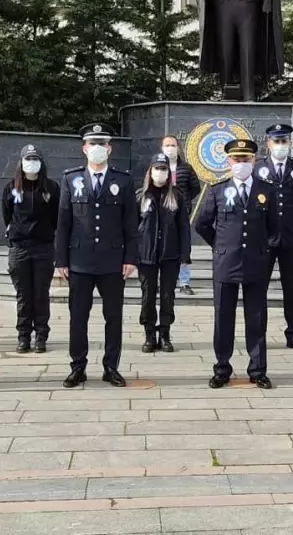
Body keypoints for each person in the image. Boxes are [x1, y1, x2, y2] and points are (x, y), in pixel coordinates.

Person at [56, 124, 138, 388]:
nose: (98, 148)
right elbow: (64, 222)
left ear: (110, 148)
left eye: (102, 143)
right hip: (79, 261)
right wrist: (61, 260)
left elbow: (130, 222)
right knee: (78, 317)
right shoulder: (71, 179)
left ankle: (111, 367)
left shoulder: (122, 180)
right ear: (84, 148)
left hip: (113, 261)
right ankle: (77, 366)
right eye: (93, 143)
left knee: (113, 317)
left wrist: (130, 258)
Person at [195, 138, 280, 389]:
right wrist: (220, 245)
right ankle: (222, 368)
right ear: (228, 161)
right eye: (237, 159)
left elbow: (274, 227)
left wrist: (263, 249)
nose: (241, 163)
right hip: (225, 262)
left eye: (246, 159)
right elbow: (202, 224)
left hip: (256, 262)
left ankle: (258, 369)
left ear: (253, 160)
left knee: (256, 318)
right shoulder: (217, 190)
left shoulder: (267, 191)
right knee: (223, 317)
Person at [256, 123, 293, 352]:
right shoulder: (258, 167)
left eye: (284, 141)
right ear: (268, 143)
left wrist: (288, 220)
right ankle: (258, 332)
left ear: (290, 143)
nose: (281, 145)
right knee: (259, 288)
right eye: (276, 141)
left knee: (291, 288)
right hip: (264, 238)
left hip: (290, 237)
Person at [2, 144, 60, 354]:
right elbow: (7, 216)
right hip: (20, 248)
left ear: (41, 162)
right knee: (23, 295)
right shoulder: (11, 188)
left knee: (41, 294)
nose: (31, 163)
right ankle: (23, 336)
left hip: (43, 248)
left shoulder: (51, 188)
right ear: (21, 162)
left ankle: (41, 336)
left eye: (35, 159)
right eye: (28, 159)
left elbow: (56, 219)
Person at [137, 153, 192, 353]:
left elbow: (184, 228)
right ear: (150, 171)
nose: (160, 173)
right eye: (157, 168)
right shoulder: (141, 196)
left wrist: (185, 254)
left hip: (170, 254)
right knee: (148, 295)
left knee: (168, 296)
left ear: (169, 173)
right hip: (146, 255)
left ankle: (165, 334)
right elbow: (132, 227)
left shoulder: (176, 196)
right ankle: (149, 334)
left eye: (164, 169)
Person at [160, 135, 201, 295]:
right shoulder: (158, 166)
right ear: (162, 148)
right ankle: (160, 282)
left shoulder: (186, 167)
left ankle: (184, 283)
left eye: (173, 145)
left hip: (181, 213)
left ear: (178, 147)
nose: (170, 148)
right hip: (162, 212)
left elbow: (195, 187)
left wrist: (184, 201)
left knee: (183, 246)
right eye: (167, 145)